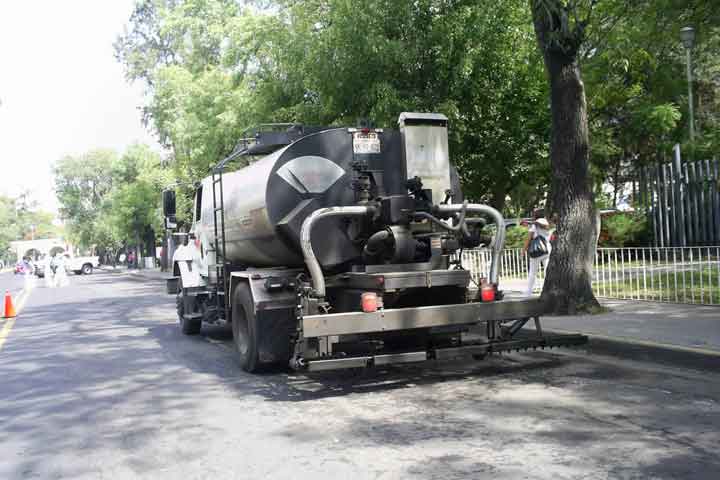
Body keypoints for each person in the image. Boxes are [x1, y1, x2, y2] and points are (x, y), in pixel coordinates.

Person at [523, 214, 552, 296]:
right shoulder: (547, 224)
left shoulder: (534, 226)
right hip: (547, 250)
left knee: (533, 272)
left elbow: (528, 239)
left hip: (537, 250)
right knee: (547, 271)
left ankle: (528, 292)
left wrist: (523, 250)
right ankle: (547, 289)